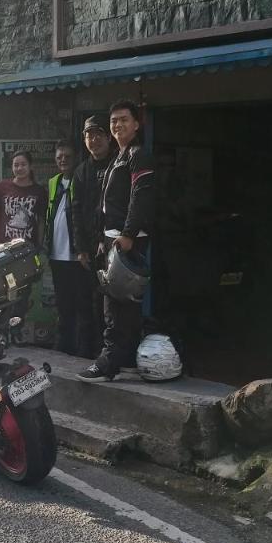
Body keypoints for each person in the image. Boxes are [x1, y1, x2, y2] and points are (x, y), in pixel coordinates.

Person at [81, 100, 154, 381]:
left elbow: (141, 195)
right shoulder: (117, 157)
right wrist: (104, 237)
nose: (117, 125)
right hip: (112, 240)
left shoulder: (138, 155)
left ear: (136, 124)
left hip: (127, 241)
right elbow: (107, 204)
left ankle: (108, 361)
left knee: (115, 305)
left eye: (124, 120)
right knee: (123, 305)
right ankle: (125, 358)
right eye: (114, 121)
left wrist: (127, 235)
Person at [70, 116, 114, 358]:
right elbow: (75, 211)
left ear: (108, 137)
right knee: (88, 302)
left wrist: (104, 239)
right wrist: (81, 248)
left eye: (98, 134)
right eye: (89, 135)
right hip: (89, 250)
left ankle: (111, 352)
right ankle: (90, 353)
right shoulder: (82, 171)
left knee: (112, 304)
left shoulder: (117, 164)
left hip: (112, 245)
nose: (93, 139)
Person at [44, 140, 90, 356]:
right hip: (56, 254)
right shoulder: (54, 182)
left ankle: (85, 348)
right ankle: (65, 345)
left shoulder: (83, 179)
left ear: (76, 159)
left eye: (67, 157)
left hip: (77, 255)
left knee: (82, 302)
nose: (63, 160)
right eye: (59, 157)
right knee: (63, 303)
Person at [0, 150, 47, 246]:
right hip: (3, 247)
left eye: (23, 164)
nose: (19, 168)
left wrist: (39, 246)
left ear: (30, 166)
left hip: (28, 248)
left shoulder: (39, 191)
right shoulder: (1, 187)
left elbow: (41, 221)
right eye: (16, 165)